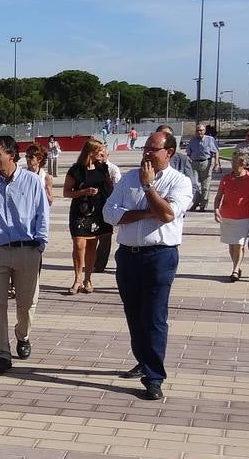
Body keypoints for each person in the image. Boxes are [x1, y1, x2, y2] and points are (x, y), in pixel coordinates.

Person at [103, 131, 192, 401]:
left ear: (169, 153)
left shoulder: (180, 182)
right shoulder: (129, 178)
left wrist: (148, 188)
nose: (147, 154)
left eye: (154, 149)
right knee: (134, 315)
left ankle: (154, 377)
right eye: (146, 149)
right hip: (128, 255)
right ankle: (143, 359)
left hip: (159, 256)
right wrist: (143, 213)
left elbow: (166, 214)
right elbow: (109, 214)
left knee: (153, 317)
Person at [0, 135, 49, 375]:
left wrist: (40, 244)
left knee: (26, 304)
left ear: (11, 155)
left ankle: (22, 336)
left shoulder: (33, 182)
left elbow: (42, 214)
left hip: (27, 250)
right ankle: (2, 354)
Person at [63, 137, 114, 294]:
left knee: (92, 245)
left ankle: (87, 279)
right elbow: (66, 192)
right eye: (99, 151)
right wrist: (83, 192)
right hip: (80, 210)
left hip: (97, 211)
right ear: (90, 152)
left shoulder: (102, 168)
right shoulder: (76, 170)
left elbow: (109, 188)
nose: (102, 153)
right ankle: (77, 279)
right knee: (79, 245)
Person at [214, 154, 249, 283]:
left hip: (245, 215)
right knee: (232, 244)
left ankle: (235, 270)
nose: (234, 164)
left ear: (244, 164)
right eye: (233, 162)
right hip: (227, 215)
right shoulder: (227, 178)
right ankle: (236, 266)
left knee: (239, 244)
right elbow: (219, 195)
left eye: (238, 162)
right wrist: (216, 209)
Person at [184, 125, 218, 211]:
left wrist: (216, 163)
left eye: (202, 130)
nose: (200, 132)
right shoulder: (192, 140)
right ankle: (196, 202)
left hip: (206, 162)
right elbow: (188, 152)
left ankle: (203, 205)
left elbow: (216, 151)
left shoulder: (210, 139)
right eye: (198, 130)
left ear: (205, 130)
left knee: (205, 186)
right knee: (195, 184)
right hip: (194, 163)